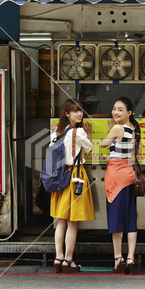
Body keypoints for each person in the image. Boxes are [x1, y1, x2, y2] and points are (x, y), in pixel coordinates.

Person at [50, 99, 95, 274]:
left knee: (60, 221)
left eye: (81, 111)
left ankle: (58, 258)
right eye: (75, 111)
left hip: (59, 177)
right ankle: (68, 260)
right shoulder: (80, 132)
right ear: (67, 114)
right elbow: (89, 149)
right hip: (75, 176)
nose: (79, 114)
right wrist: (88, 133)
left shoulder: (56, 132)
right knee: (72, 222)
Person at [101, 97, 142, 275]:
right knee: (130, 218)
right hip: (130, 175)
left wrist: (110, 130)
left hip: (116, 177)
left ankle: (118, 259)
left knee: (116, 218)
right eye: (114, 108)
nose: (115, 112)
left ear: (129, 113)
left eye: (120, 109)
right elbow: (138, 151)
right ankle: (131, 258)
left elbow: (103, 144)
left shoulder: (117, 128)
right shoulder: (134, 129)